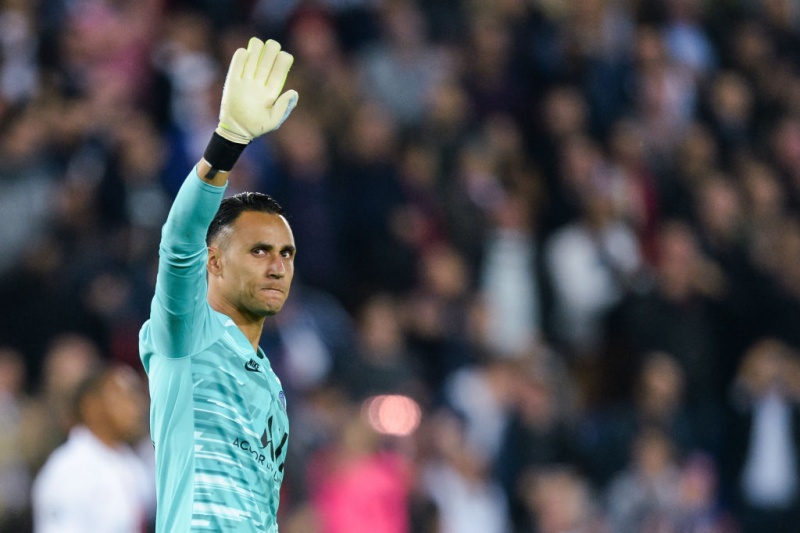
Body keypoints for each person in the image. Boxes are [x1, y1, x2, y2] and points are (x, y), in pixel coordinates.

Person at [138, 36, 299, 532]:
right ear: (214, 262)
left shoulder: (273, 387)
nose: (277, 266)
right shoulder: (187, 334)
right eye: (259, 251)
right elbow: (179, 240)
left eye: (286, 254)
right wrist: (227, 142)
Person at [31, 364, 153, 533]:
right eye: (125, 396)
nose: (138, 407)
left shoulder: (132, 464)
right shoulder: (67, 470)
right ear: (93, 406)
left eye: (137, 396)